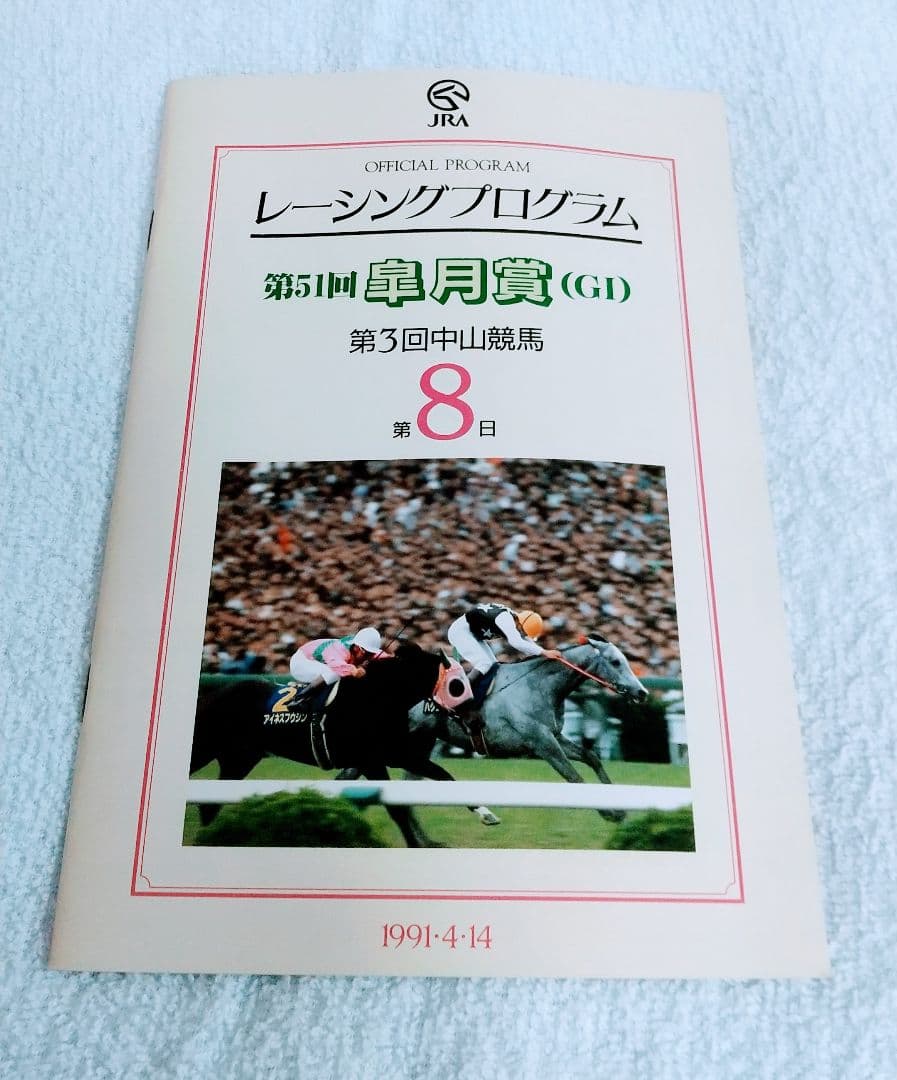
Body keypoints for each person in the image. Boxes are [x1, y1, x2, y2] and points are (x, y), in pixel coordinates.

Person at [447, 604, 562, 707]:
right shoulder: (505, 619)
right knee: (484, 663)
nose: (522, 633)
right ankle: (459, 692)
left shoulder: (518, 621)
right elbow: (516, 642)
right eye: (522, 631)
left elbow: (527, 642)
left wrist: (545, 654)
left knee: (493, 666)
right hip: (460, 632)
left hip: (472, 633)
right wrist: (544, 652)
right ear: (519, 623)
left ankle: (476, 696)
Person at [289, 626, 385, 693]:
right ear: (356, 648)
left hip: (320, 662)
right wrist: (355, 671)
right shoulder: (339, 649)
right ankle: (301, 699)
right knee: (334, 673)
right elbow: (338, 667)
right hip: (302, 662)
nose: (369, 657)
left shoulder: (361, 647)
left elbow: (383, 656)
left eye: (372, 653)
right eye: (367, 653)